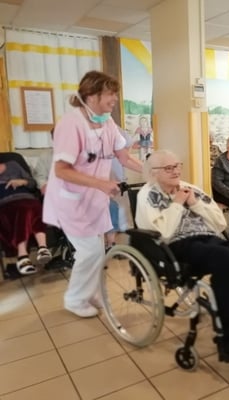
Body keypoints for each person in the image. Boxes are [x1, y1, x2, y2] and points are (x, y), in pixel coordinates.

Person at [135, 149, 229, 361]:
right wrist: (177, 203)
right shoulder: (147, 195)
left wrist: (194, 203)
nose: (176, 171)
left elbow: (219, 222)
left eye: (177, 166)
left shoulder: (189, 188)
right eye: (169, 168)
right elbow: (163, 232)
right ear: (153, 172)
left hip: (206, 236)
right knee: (222, 257)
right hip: (175, 245)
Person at [43, 70, 143, 318]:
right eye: (110, 94)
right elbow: (62, 169)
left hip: (94, 200)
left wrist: (154, 171)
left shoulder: (107, 123)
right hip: (70, 200)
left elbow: (124, 157)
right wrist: (100, 183)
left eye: (115, 94)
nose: (115, 99)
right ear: (91, 95)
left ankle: (92, 292)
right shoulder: (71, 124)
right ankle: (75, 299)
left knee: (97, 249)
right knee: (90, 251)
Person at [0, 158, 52, 275]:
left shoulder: (13, 164)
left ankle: (40, 250)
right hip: (5, 203)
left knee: (35, 206)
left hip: (26, 197)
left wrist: (23, 182)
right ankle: (23, 254)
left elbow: (32, 183)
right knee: (22, 210)